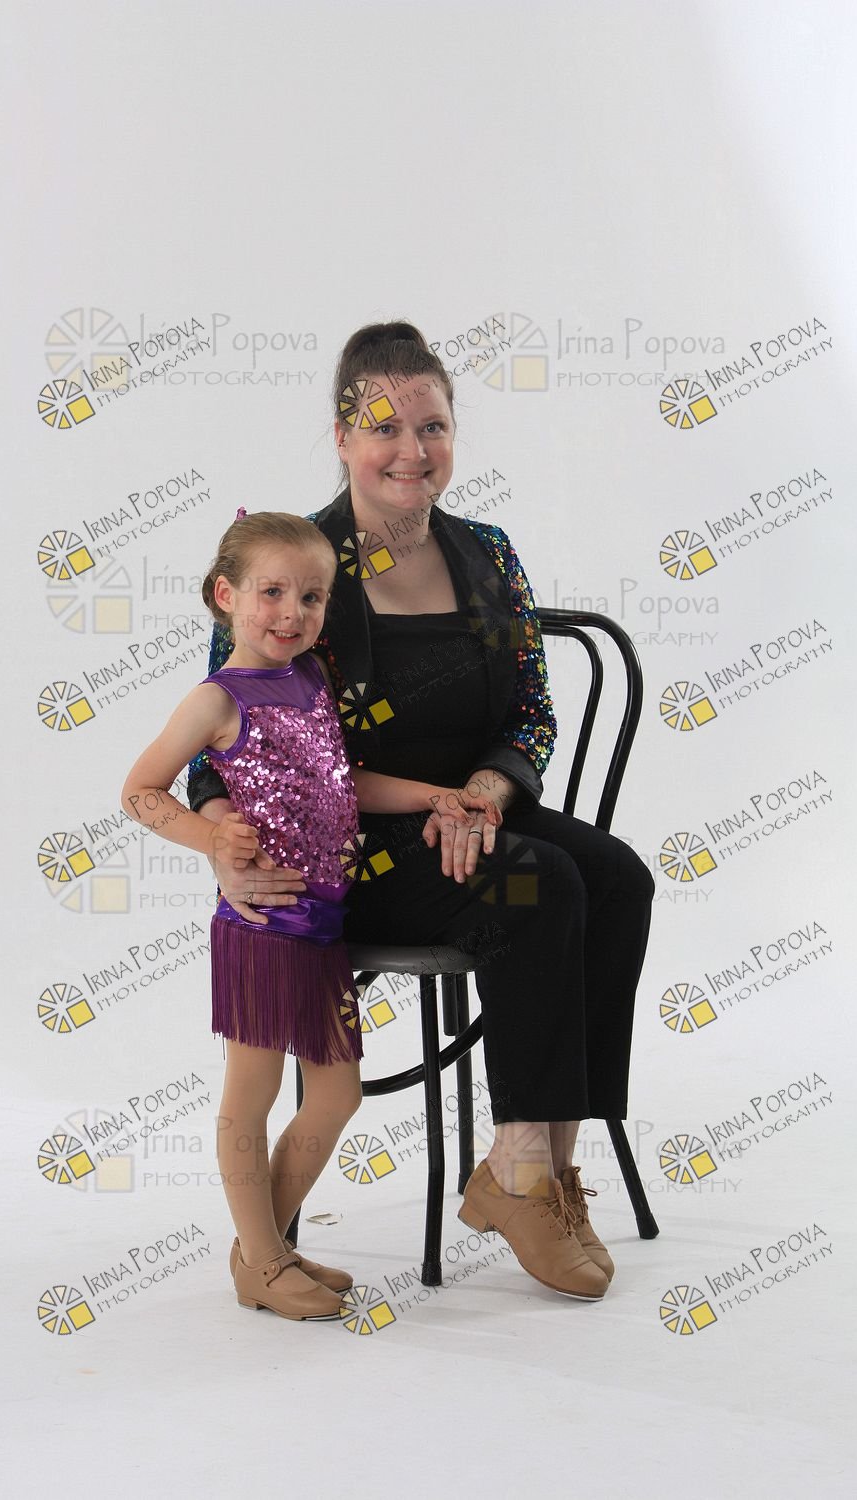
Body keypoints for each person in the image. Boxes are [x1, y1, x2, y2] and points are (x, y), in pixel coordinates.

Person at [187, 321, 656, 1303]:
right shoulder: (297, 562)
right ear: (341, 437)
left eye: (433, 426)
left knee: (617, 878)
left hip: (471, 813)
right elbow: (220, 740)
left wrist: (482, 794)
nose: (412, 450)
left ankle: (542, 1162)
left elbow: (531, 712)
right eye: (384, 428)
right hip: (348, 849)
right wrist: (223, 839)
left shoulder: (486, 552)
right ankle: (517, 1176)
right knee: (540, 882)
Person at [120, 506, 503, 1322]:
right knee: (250, 1099)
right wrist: (211, 839)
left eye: (312, 597)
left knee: (337, 1095)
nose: (291, 613)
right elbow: (139, 791)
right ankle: (263, 1258)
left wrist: (436, 793)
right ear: (225, 595)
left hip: (324, 924)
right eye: (272, 593)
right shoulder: (216, 699)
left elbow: (343, 784)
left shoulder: (310, 682)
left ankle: (261, 1250)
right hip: (264, 928)